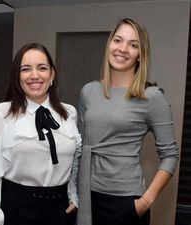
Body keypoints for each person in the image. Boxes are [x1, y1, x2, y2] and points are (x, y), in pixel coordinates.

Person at [76, 18, 179, 225]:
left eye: (133, 45)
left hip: (125, 203)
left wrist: (144, 203)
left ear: (141, 54)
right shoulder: (88, 92)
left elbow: (170, 155)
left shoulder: (151, 96)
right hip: (86, 197)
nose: (123, 49)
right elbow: (78, 147)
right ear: (109, 44)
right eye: (118, 40)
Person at [0, 43, 81, 225]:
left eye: (42, 68)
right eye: (26, 69)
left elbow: (74, 162)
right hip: (17, 209)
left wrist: (73, 196)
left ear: (52, 74)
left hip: (60, 210)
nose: (34, 75)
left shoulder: (69, 113)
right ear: (17, 76)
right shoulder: (1, 113)